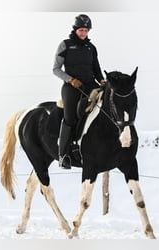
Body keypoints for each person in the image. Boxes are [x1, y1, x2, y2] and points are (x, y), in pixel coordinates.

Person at [53, 14, 106, 169]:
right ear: (75, 30)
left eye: (86, 30)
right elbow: (55, 69)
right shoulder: (65, 45)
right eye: (81, 30)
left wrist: (101, 80)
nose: (83, 33)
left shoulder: (91, 48)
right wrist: (70, 79)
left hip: (90, 85)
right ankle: (63, 155)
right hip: (72, 87)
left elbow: (96, 69)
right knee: (70, 116)